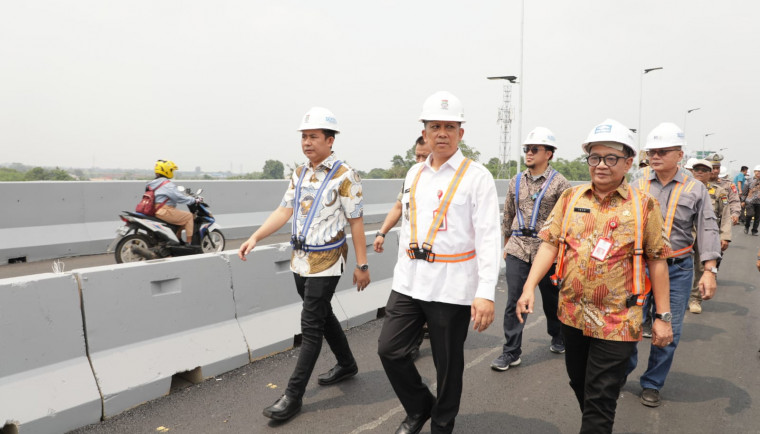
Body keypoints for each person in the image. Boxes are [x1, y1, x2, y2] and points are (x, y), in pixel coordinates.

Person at [515, 119, 673, 433]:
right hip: (572, 315)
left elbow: (657, 261)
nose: (601, 165)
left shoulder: (644, 207)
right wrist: (529, 287)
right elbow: (549, 244)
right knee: (580, 382)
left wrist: (663, 316)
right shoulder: (571, 199)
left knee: (600, 398)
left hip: (618, 320)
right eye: (595, 158)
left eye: (610, 158)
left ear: (628, 163)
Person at [377, 91, 500, 434]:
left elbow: (489, 237)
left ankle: (441, 424)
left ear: (461, 133)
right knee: (390, 350)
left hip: (453, 284)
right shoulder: (414, 174)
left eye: (449, 126)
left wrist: (485, 292)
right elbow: (410, 223)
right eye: (435, 126)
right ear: (424, 133)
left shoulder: (477, 176)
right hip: (410, 280)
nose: (442, 133)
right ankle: (419, 407)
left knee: (448, 365)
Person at [238, 107, 370, 422]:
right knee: (322, 315)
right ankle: (347, 363)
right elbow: (284, 210)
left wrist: (362, 265)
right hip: (300, 259)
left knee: (310, 326)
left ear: (330, 139)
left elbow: (356, 222)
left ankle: (293, 396)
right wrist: (256, 237)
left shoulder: (345, 175)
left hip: (327, 259)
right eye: (304, 137)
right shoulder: (300, 173)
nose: (307, 142)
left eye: (313, 137)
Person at [628, 122, 721, 408]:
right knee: (629, 323)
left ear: (679, 155)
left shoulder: (696, 189)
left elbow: (707, 228)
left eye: (663, 151)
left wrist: (709, 270)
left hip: (677, 267)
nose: (655, 156)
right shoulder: (637, 183)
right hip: (639, 267)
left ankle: (653, 383)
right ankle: (620, 372)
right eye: (652, 151)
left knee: (669, 328)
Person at [491, 127, 571, 372]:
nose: (529, 153)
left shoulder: (560, 184)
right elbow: (509, 214)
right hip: (517, 247)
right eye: (527, 149)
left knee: (551, 300)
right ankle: (511, 351)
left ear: (549, 154)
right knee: (514, 300)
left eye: (534, 149)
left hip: (546, 250)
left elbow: (566, 221)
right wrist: (506, 245)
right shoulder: (516, 181)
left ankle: (557, 335)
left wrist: (563, 254)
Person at [373, 136, 433, 361]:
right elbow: (399, 206)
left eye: (424, 156)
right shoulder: (412, 176)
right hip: (410, 253)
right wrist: (381, 232)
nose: (419, 160)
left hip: (437, 256)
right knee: (411, 298)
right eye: (417, 155)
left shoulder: (450, 180)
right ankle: (412, 343)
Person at [688, 159, 731, 314]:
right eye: (697, 169)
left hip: (706, 235)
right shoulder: (683, 189)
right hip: (685, 234)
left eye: (704, 170)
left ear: (710, 173)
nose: (700, 172)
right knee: (679, 266)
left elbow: (726, 216)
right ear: (692, 172)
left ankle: (695, 299)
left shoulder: (719, 192)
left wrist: (724, 236)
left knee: (701, 267)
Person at [150, 159, 197, 244]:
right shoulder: (167, 184)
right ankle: (189, 243)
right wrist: (193, 200)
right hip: (165, 211)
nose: (172, 172)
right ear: (166, 170)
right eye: (171, 170)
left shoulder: (152, 183)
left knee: (180, 219)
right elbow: (178, 197)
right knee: (189, 216)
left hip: (154, 210)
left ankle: (177, 240)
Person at [707, 153, 741, 225]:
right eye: (713, 168)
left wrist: (735, 213)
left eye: (717, 168)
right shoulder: (699, 184)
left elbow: (734, 201)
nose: (716, 171)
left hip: (722, 223)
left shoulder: (728, 184)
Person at [743, 165, 760, 235]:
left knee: (757, 217)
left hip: (759, 202)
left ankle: (754, 230)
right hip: (750, 201)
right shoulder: (749, 180)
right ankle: (747, 226)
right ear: (754, 172)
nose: (758, 173)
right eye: (757, 171)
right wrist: (742, 201)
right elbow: (745, 191)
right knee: (750, 214)